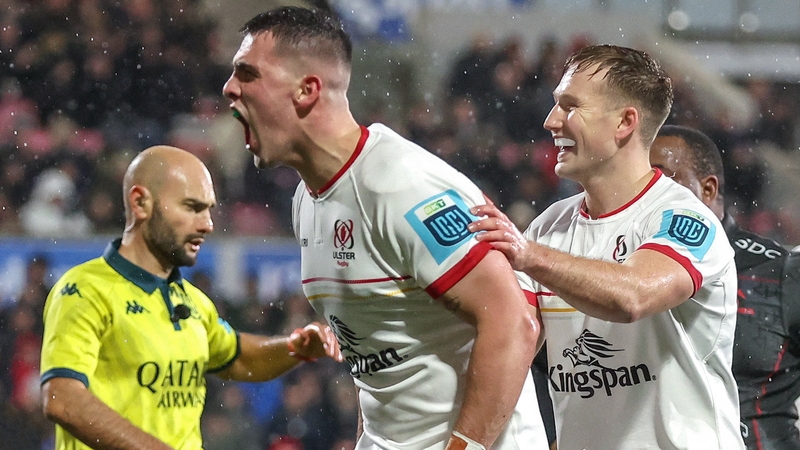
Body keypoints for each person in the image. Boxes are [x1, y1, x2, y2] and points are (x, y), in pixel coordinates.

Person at [222, 5, 549, 450]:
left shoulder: (402, 184)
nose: (229, 88)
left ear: (306, 89)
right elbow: (373, 358)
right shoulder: (307, 199)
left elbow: (515, 325)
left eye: (247, 74)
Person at [468, 44, 744, 449]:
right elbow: (510, 333)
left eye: (570, 106)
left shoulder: (685, 218)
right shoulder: (549, 227)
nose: (550, 121)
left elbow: (633, 296)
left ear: (625, 122)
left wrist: (528, 255)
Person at [39, 145, 342, 450]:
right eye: (192, 207)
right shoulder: (83, 290)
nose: (207, 224)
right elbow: (63, 399)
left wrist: (295, 348)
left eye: (209, 209)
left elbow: (238, 356)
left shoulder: (193, 301)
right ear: (141, 202)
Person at [650, 124, 800, 450]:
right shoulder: (621, 273)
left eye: (661, 179)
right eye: (640, 183)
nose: (647, 194)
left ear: (708, 189)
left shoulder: (780, 273)